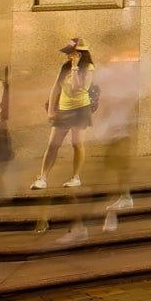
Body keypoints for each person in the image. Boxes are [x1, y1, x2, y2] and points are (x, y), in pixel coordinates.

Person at [31, 41, 96, 191]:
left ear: (79, 54)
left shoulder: (88, 67)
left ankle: (75, 177)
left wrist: (75, 66)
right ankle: (42, 178)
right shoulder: (65, 67)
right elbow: (56, 87)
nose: (67, 55)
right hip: (64, 109)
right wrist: (51, 110)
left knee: (76, 143)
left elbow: (77, 88)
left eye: (70, 53)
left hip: (80, 109)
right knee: (53, 144)